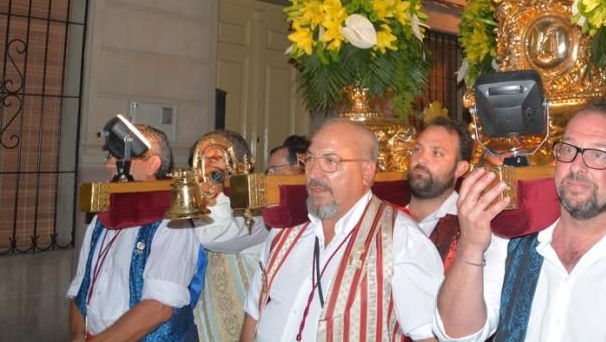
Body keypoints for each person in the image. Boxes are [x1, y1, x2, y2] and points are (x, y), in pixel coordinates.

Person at [434, 98, 606, 341]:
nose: (577, 166)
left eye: (598, 155)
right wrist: (471, 246)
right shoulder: (514, 242)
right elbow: (457, 334)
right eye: (569, 150)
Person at [241, 120, 443, 342]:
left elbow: (428, 337)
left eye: (330, 161)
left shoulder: (399, 240)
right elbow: (254, 316)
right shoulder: (283, 234)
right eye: (309, 160)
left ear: (366, 171)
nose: (314, 173)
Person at [68, 124, 204, 341]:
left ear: (152, 164)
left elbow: (159, 307)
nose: (110, 164)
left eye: (120, 156)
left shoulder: (173, 220)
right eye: (109, 156)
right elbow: (80, 288)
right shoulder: (101, 218)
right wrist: (77, 335)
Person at [190, 130, 268, 342]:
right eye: (200, 162)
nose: (204, 170)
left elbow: (212, 235)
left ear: (240, 166)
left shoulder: (257, 211)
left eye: (214, 161)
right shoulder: (194, 203)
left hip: (243, 330)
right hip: (200, 325)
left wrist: (215, 189)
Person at [406, 116, 473, 271]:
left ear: (460, 169)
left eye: (436, 153)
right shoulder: (388, 219)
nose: (421, 159)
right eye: (417, 149)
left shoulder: (469, 227)